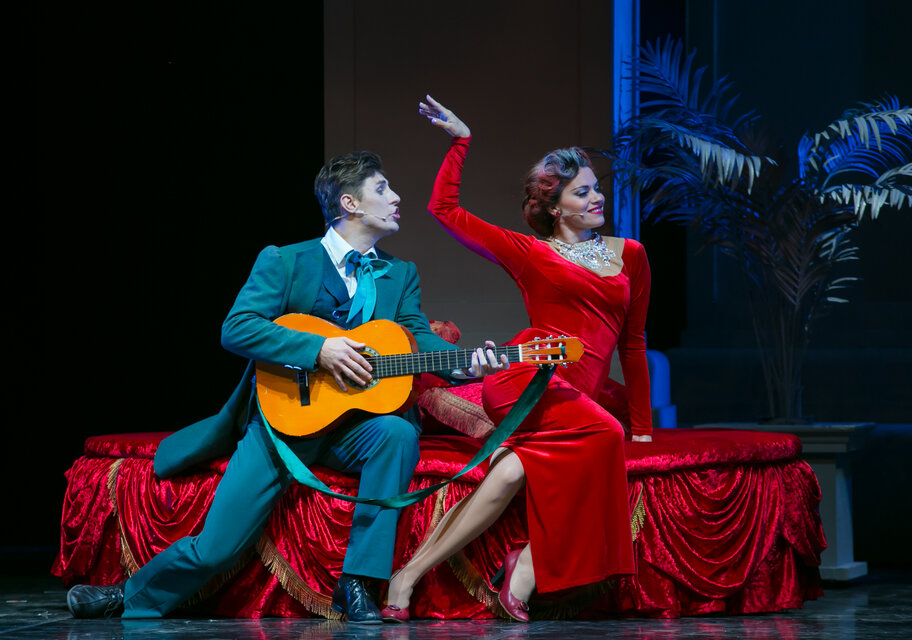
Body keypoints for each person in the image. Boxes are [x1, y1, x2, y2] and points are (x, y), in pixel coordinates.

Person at [65, 150, 507, 624]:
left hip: (355, 429)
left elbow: (416, 337)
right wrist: (318, 350)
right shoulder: (286, 260)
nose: (397, 197)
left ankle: (358, 583)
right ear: (349, 203)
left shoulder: (400, 274)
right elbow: (238, 328)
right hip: (282, 423)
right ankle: (130, 596)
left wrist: (467, 365)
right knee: (217, 547)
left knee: (397, 434)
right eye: (382, 188)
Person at [380, 96, 653, 623]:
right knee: (605, 433)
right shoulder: (530, 253)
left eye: (595, 187)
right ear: (555, 208)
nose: (597, 197)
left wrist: (643, 430)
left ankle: (407, 577)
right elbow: (445, 210)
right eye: (582, 192)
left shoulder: (631, 255)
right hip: (527, 382)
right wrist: (461, 142)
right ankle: (527, 568)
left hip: (575, 400)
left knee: (508, 474)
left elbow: (633, 343)